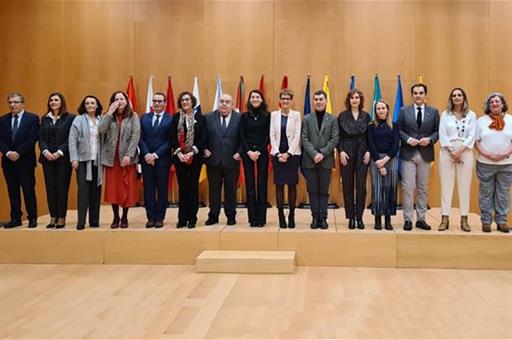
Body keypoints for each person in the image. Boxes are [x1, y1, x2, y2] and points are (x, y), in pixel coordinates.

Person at [397, 83, 440, 231]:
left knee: (423, 188)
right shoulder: (404, 111)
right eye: (415, 93)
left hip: (425, 154)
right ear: (412, 95)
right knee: (408, 188)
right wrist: (408, 139)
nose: (418, 95)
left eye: (421, 93)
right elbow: (399, 129)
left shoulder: (434, 112)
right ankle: (408, 219)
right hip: (408, 153)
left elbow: (437, 131)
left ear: (425, 95)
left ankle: (421, 218)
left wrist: (430, 140)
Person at [99, 91, 140, 229]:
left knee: (126, 188)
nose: (119, 101)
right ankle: (115, 216)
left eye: (121, 99)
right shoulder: (108, 116)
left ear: (126, 101)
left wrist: (129, 154)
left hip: (127, 158)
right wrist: (109, 113)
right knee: (113, 189)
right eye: (116, 99)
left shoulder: (133, 116)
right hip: (112, 159)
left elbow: (136, 136)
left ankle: (125, 217)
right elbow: (101, 130)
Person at [438, 88, 477, 232]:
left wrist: (459, 151)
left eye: (459, 95)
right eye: (454, 95)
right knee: (446, 186)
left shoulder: (471, 115)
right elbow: (442, 134)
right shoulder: (445, 114)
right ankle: (444, 219)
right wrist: (452, 152)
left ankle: (464, 219)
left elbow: (472, 135)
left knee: (464, 186)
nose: (456, 97)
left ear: (464, 98)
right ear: (451, 98)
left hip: (465, 151)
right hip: (447, 151)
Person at [301, 90, 339, 229]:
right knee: (312, 190)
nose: (318, 101)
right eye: (316, 99)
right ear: (313, 101)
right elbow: (304, 138)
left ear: (325, 101)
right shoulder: (306, 119)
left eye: (321, 99)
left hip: (326, 160)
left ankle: (323, 218)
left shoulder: (333, 119)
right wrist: (314, 154)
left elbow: (335, 139)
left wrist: (322, 153)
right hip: (309, 161)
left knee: (323, 190)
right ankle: (314, 217)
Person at [0, 93, 39, 228]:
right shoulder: (3, 120)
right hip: (8, 161)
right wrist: (8, 152)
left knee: (28, 190)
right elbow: (1, 140)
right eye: (10, 102)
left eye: (15, 102)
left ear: (22, 103)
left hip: (25, 161)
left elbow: (32, 138)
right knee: (13, 191)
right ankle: (16, 218)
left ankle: (32, 218)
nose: (12, 105)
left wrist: (18, 152)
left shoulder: (32, 118)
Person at [475, 92, 512, 233]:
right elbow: (476, 141)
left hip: (506, 164)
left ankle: (501, 221)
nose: (494, 104)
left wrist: (506, 153)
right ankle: (486, 221)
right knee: (486, 192)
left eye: (497, 101)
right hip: (485, 163)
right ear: (488, 106)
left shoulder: (511, 120)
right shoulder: (481, 121)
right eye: (491, 102)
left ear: (503, 104)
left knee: (503, 193)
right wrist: (486, 154)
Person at [38, 92, 75, 229]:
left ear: (61, 102)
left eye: (56, 100)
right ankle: (53, 216)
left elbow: (71, 138)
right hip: (47, 159)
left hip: (63, 159)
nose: (53, 102)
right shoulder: (44, 118)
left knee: (61, 188)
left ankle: (61, 217)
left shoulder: (70, 118)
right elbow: (40, 138)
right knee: (50, 188)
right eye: (51, 100)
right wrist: (46, 151)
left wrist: (59, 152)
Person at [204, 93, 241, 226]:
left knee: (231, 191)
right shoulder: (208, 117)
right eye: (222, 101)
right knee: (214, 191)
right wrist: (204, 148)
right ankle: (213, 215)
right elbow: (202, 136)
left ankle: (231, 215)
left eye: (227, 102)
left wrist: (240, 152)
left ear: (232, 105)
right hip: (213, 160)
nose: (224, 104)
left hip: (232, 160)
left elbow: (244, 137)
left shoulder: (239, 118)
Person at [170, 91, 206, 229]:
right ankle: (181, 219)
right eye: (183, 100)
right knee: (182, 188)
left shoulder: (201, 118)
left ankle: (192, 219)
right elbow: (172, 137)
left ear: (193, 102)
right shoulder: (175, 118)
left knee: (193, 188)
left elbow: (203, 138)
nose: (185, 102)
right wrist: (179, 153)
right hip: (179, 158)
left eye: (187, 99)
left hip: (195, 158)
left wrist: (192, 153)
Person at [337, 89, 371, 229]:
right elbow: (338, 136)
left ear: (360, 100)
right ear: (349, 100)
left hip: (363, 151)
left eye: (357, 97)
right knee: (347, 185)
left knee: (361, 187)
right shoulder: (342, 116)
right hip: (347, 150)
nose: (354, 100)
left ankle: (360, 217)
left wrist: (369, 151)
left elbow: (370, 136)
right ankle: (351, 217)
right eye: (352, 98)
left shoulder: (367, 116)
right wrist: (341, 151)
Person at [69, 95, 103, 230]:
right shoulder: (78, 119)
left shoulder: (101, 119)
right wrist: (74, 158)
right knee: (83, 190)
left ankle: (94, 221)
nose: (90, 105)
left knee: (96, 191)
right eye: (87, 103)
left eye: (92, 103)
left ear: (97, 105)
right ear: (84, 105)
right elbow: (72, 140)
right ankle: (81, 221)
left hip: (97, 161)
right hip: (82, 160)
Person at [139, 92, 173, 229]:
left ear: (165, 103)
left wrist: (156, 155)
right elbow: (140, 138)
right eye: (154, 101)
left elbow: (170, 141)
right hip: (146, 159)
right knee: (148, 189)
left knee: (162, 190)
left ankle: (160, 217)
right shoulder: (144, 118)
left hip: (162, 160)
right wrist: (147, 154)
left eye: (160, 101)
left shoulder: (170, 119)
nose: (157, 103)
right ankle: (150, 217)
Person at [270, 89, 301, 228]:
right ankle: (281, 215)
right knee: (279, 185)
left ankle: (292, 214)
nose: (285, 101)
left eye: (288, 98)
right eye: (283, 98)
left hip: (293, 155)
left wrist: (288, 153)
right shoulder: (274, 115)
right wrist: (277, 153)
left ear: (291, 100)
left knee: (292, 185)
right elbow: (272, 136)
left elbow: (297, 136)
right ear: (280, 100)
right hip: (277, 155)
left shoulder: (296, 115)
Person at [240, 90, 270, 228]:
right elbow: (241, 136)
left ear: (262, 100)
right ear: (249, 100)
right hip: (247, 153)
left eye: (257, 97)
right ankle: (252, 218)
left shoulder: (267, 116)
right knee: (250, 186)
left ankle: (261, 219)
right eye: (252, 97)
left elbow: (268, 136)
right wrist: (249, 151)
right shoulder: (244, 116)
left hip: (262, 152)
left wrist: (258, 151)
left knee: (262, 185)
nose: (255, 99)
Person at [367, 100, 399, 230]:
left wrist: (385, 160)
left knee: (389, 188)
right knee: (377, 189)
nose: (380, 110)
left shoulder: (394, 125)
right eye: (378, 109)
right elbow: (370, 144)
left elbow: (396, 145)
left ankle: (388, 219)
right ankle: (377, 219)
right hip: (375, 160)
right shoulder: (370, 126)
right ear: (375, 111)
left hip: (390, 159)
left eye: (383, 108)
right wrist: (378, 163)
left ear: (387, 109)